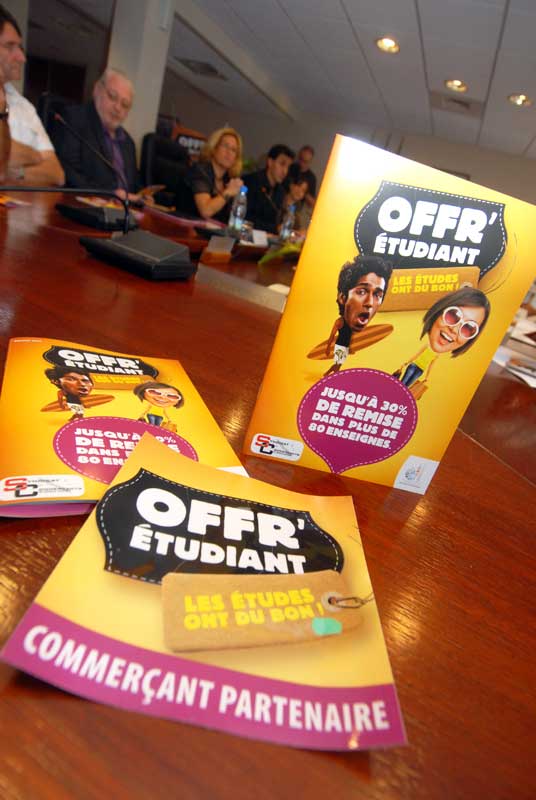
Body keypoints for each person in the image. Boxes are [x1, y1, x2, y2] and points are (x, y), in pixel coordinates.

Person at [0, 4, 64, 186]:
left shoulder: (25, 107)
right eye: (10, 46)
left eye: (20, 47)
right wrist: (35, 155)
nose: (22, 57)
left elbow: (57, 174)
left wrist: (14, 173)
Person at [56, 67, 139, 199]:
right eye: (112, 97)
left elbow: (132, 186)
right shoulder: (74, 120)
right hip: (85, 205)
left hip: (124, 209)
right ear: (97, 90)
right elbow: (68, 174)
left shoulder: (128, 143)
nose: (118, 108)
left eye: (125, 105)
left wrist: (142, 197)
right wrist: (109, 195)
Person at [394, 287, 490, 394]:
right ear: (440, 310)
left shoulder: (444, 364)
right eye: (453, 315)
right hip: (413, 366)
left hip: (420, 371)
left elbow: (431, 365)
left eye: (468, 328)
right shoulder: (408, 335)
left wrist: (427, 377)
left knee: (405, 390)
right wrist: (406, 363)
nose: (454, 329)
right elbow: (417, 355)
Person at [324, 255, 393, 376]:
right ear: (343, 298)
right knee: (337, 363)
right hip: (339, 347)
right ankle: (330, 374)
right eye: (361, 292)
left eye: (377, 295)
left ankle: (331, 373)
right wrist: (328, 347)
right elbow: (332, 335)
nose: (370, 303)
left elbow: (349, 338)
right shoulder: (340, 322)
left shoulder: (355, 329)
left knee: (338, 364)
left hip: (345, 348)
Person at [180, 126, 243, 222]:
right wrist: (228, 192)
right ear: (214, 148)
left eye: (233, 150)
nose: (229, 152)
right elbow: (206, 211)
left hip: (211, 230)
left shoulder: (228, 180)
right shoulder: (199, 171)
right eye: (225, 146)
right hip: (184, 226)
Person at [243, 144, 294, 233]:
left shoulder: (280, 191)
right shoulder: (251, 181)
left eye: (288, 167)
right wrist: (275, 228)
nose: (285, 171)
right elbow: (245, 218)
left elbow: (274, 221)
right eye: (282, 164)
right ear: (270, 162)